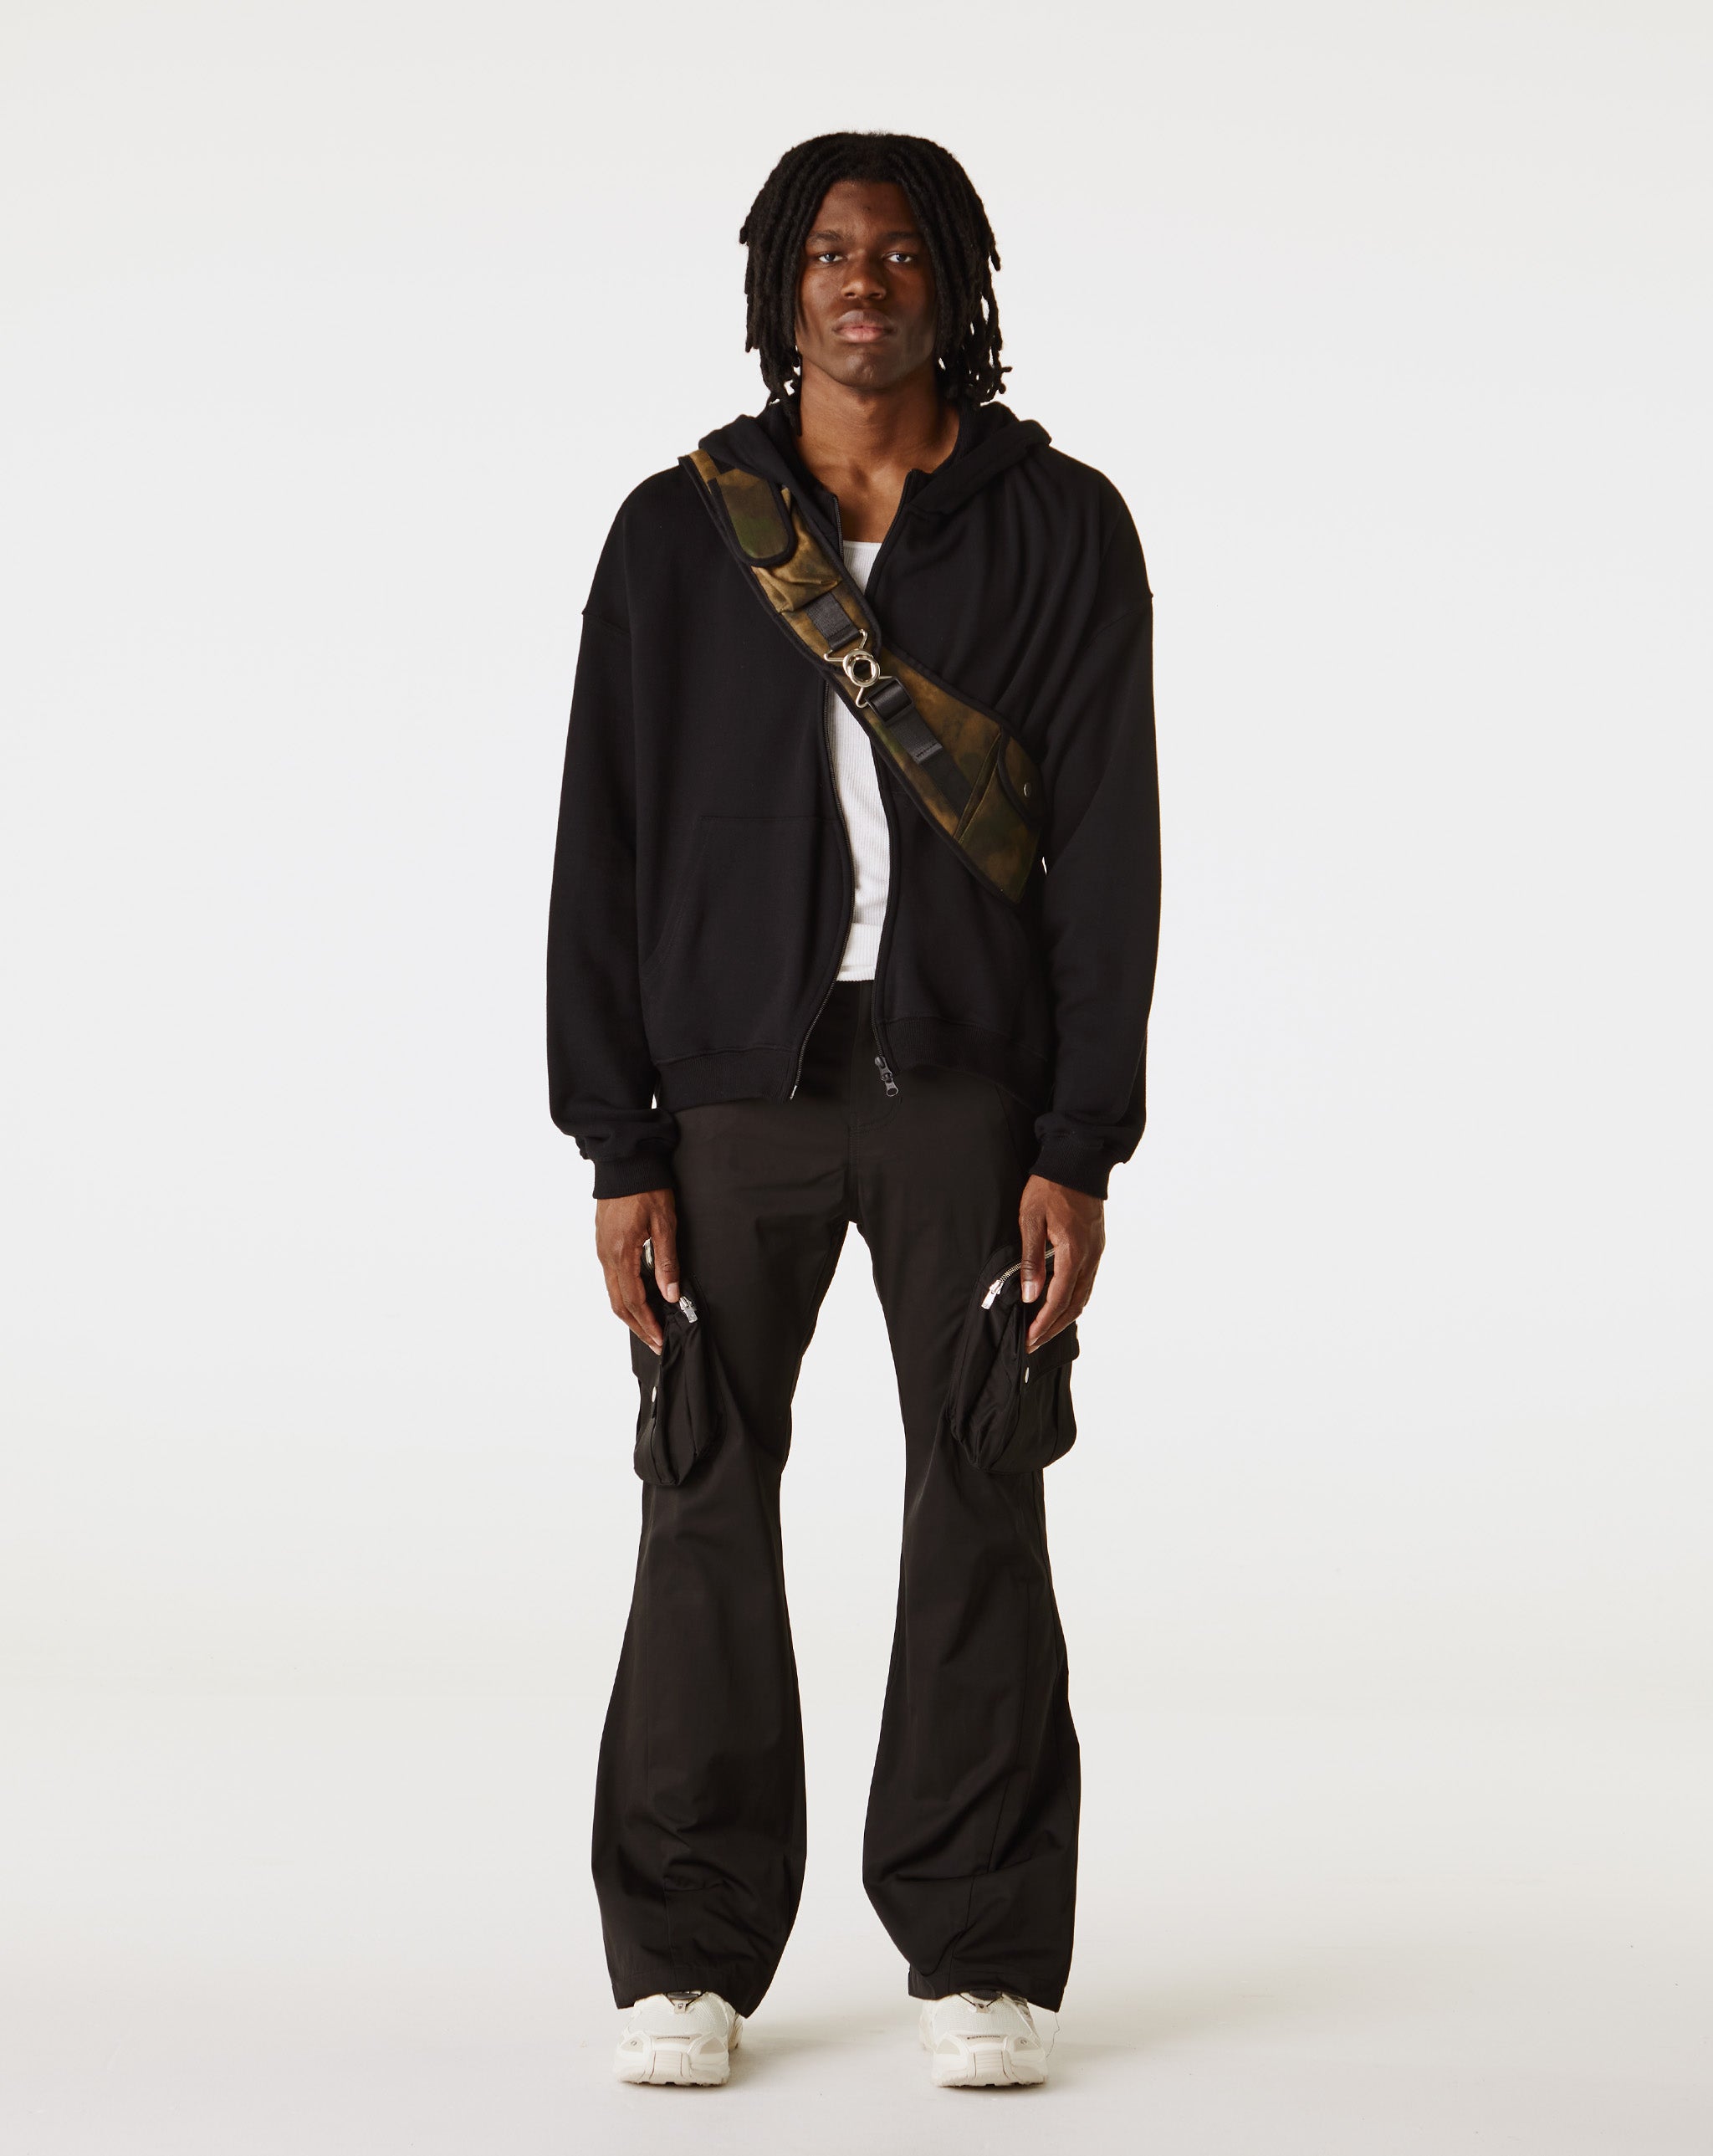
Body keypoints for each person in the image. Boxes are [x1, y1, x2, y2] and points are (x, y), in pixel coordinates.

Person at [547, 130, 1159, 2090]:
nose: (862, 283)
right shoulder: (676, 533)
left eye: (898, 253)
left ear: (952, 281)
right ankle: (686, 1950)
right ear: (778, 286)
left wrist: (1079, 1138)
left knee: (981, 1491)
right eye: (827, 252)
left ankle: (978, 1945)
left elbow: (1112, 849)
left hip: (967, 1098)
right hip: (727, 1102)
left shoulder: (1061, 528)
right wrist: (616, 1142)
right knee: (697, 1496)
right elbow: (600, 840)